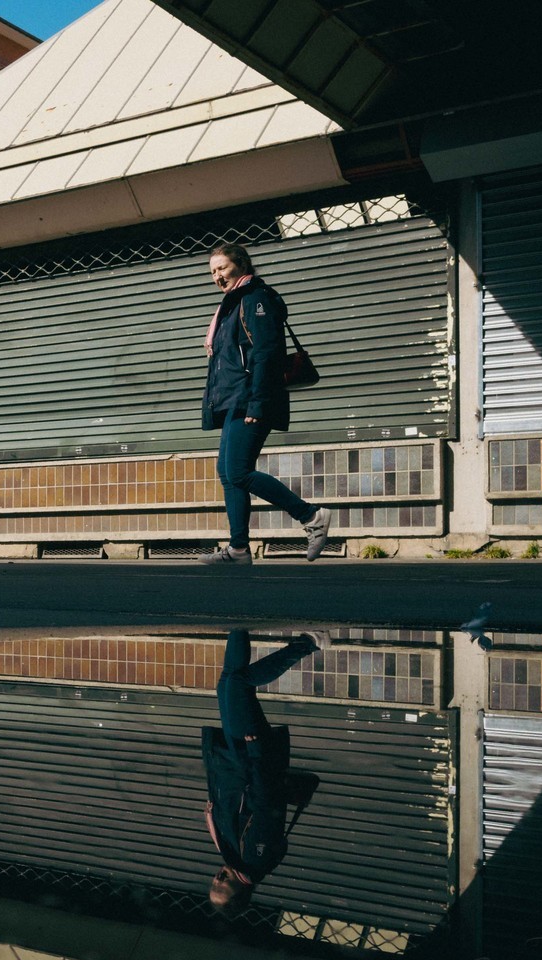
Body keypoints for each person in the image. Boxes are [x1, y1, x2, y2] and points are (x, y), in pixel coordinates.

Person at [198, 243, 332, 564]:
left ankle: (311, 516)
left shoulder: (256, 299)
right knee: (228, 473)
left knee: (239, 472)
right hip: (235, 400)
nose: (217, 276)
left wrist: (258, 404)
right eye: (213, 272)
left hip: (252, 399)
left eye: (222, 268)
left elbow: (266, 353)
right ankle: (239, 549)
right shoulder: (230, 305)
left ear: (241, 264)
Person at [203, 629, 324, 918]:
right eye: (223, 885)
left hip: (235, 758)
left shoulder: (234, 858)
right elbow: (265, 799)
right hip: (251, 755)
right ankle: (309, 644)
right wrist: (256, 754)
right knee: (237, 685)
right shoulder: (257, 858)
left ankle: (238, 628)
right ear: (241, 891)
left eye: (213, 883)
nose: (218, 878)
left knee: (227, 684)